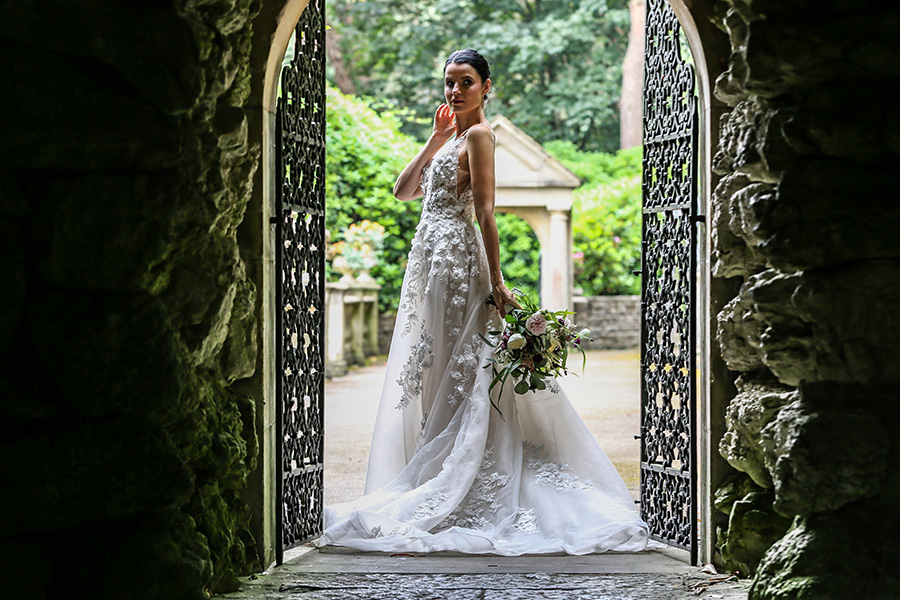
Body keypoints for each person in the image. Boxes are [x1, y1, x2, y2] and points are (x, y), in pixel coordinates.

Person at [316, 49, 649, 555]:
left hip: (457, 265)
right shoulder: (450, 137)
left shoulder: (480, 135)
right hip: (428, 263)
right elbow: (404, 191)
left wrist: (495, 279)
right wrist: (432, 140)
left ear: (486, 87)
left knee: (462, 364)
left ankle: (467, 465)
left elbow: (488, 213)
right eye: (449, 81)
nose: (454, 91)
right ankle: (435, 455)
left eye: (465, 82)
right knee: (431, 367)